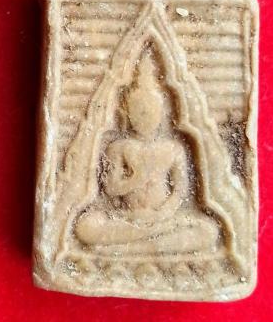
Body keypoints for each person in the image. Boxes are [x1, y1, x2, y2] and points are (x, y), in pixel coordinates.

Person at [75, 53, 220, 254]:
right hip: (127, 218)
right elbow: (111, 189)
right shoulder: (118, 147)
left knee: (209, 230)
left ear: (162, 113)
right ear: (126, 114)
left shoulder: (172, 149)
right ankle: (150, 245)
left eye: (151, 111)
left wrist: (165, 211)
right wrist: (135, 179)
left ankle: (129, 249)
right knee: (85, 226)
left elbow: (179, 190)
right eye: (138, 111)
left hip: (163, 220)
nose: (145, 117)